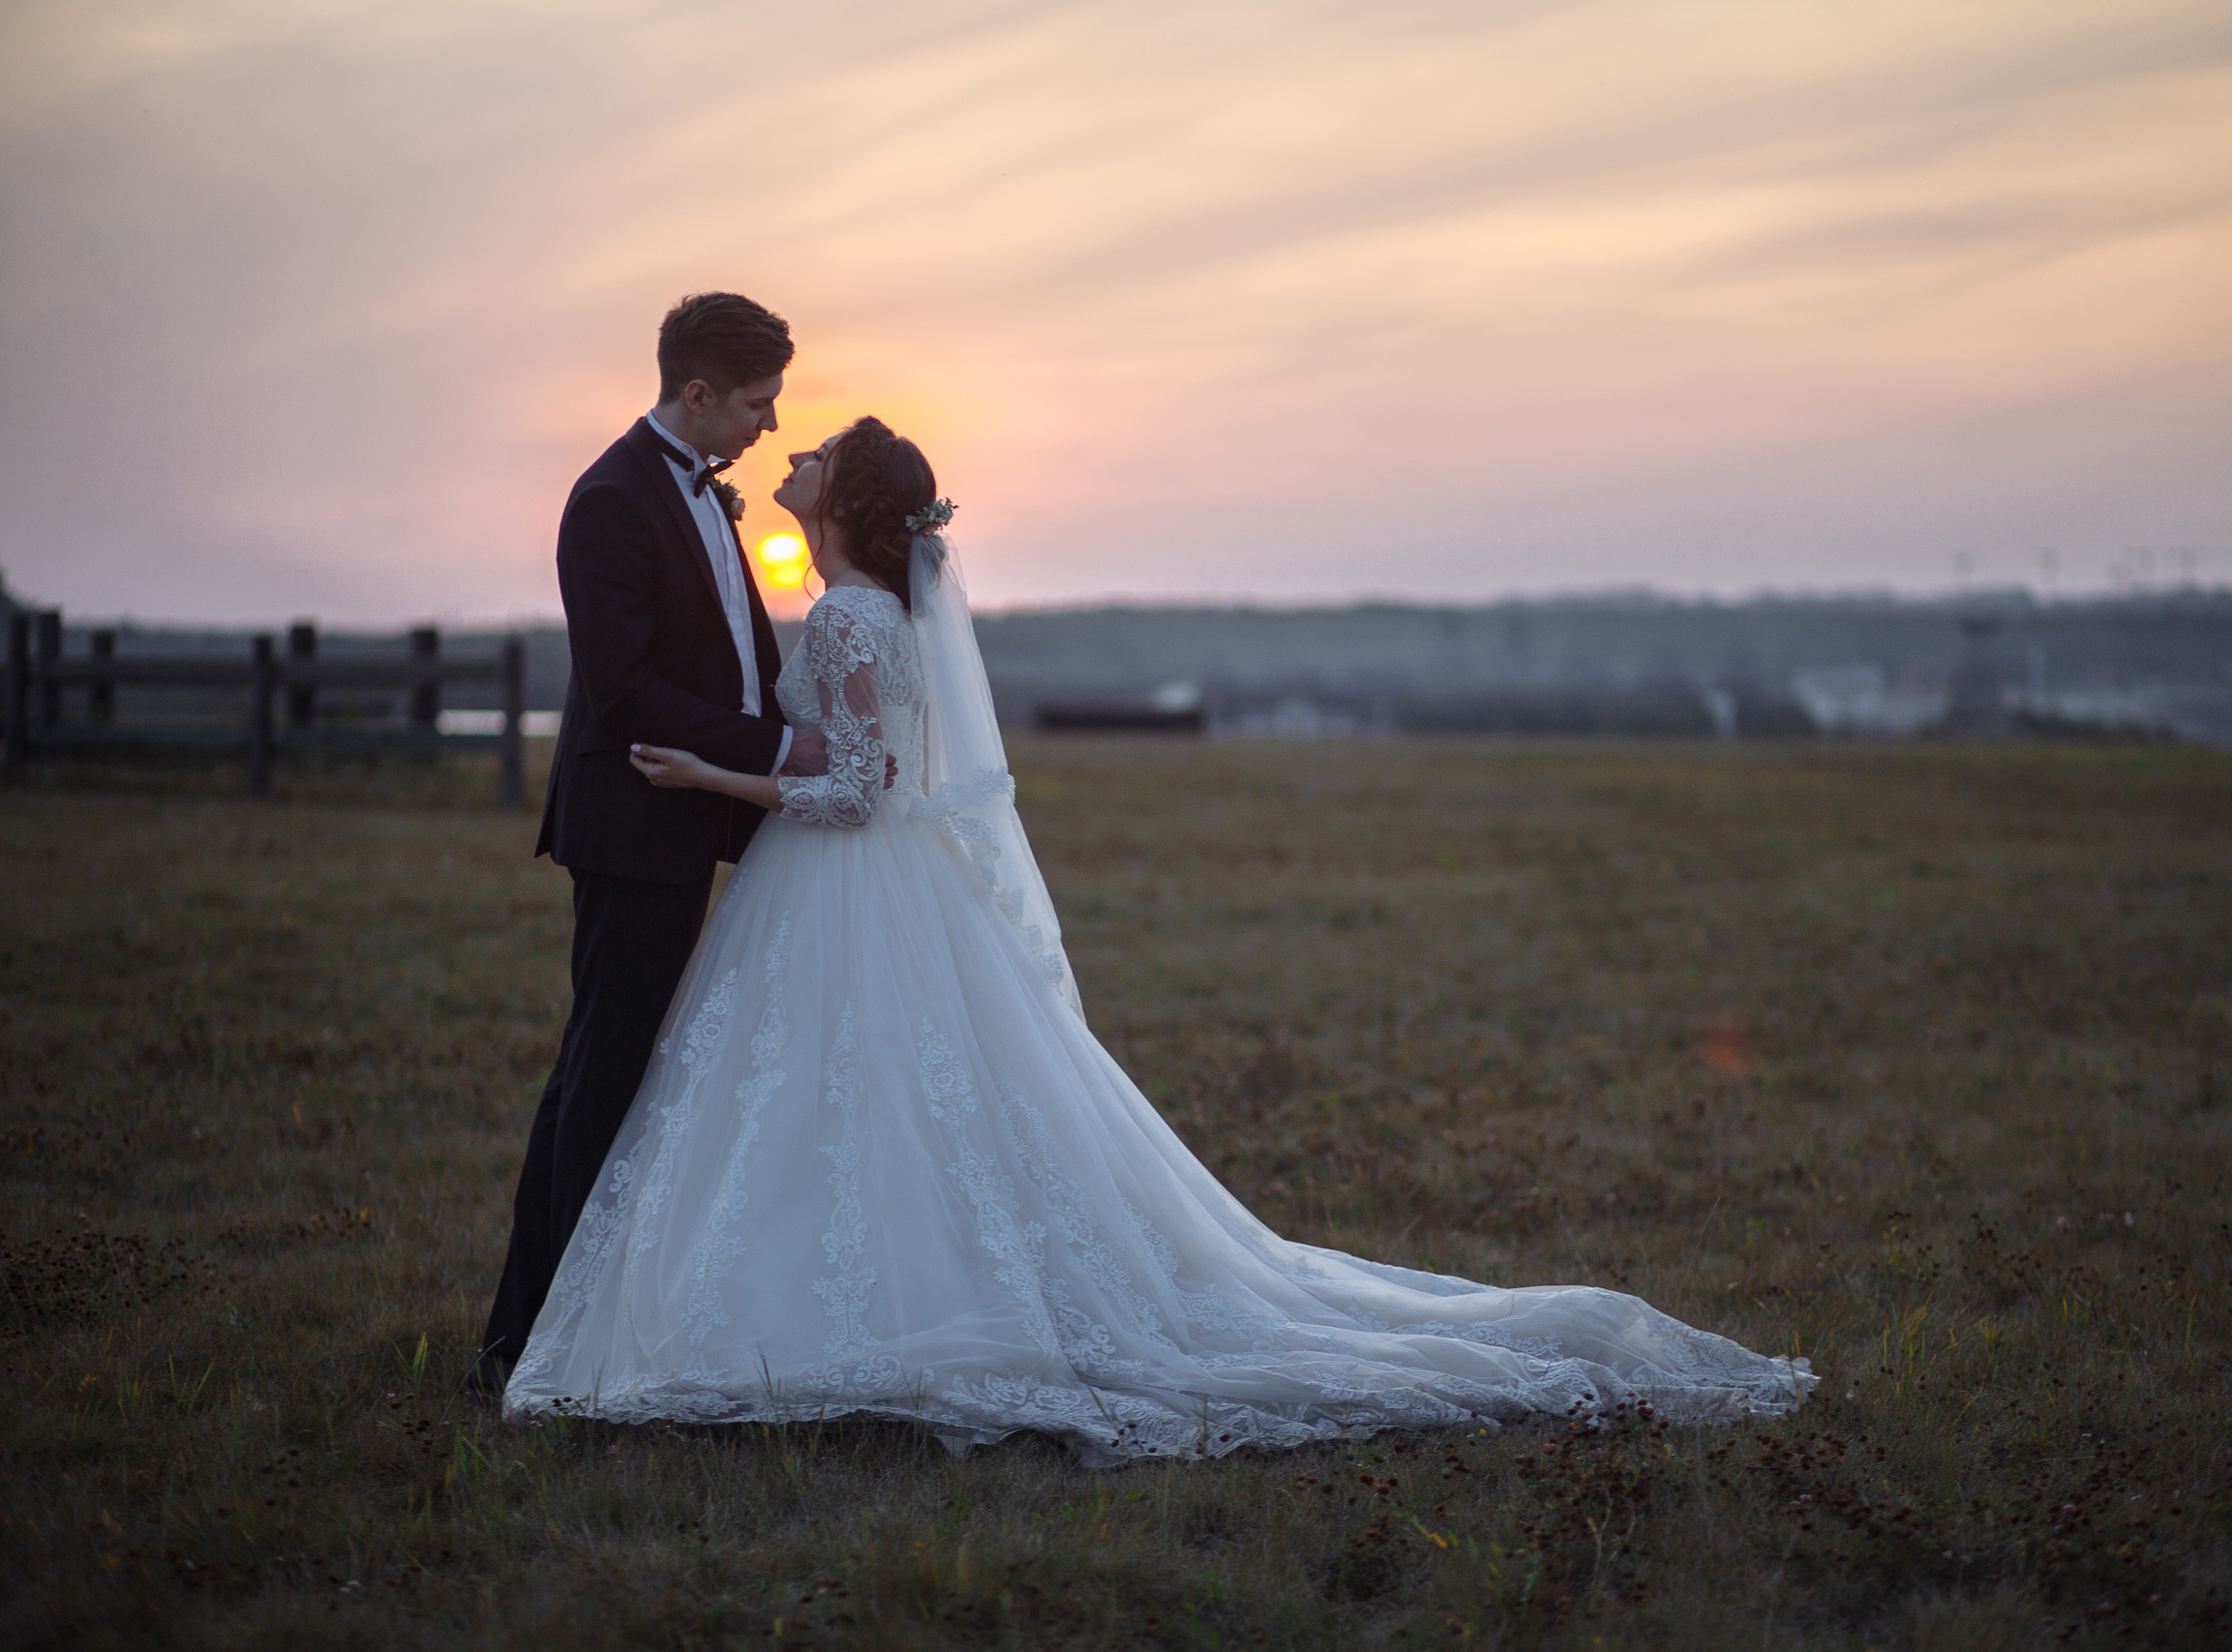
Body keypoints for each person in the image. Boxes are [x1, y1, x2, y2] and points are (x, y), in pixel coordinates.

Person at [501, 417, 1814, 1459]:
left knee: (831, 1094)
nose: (791, 456)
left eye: (817, 455)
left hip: (841, 878)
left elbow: (853, 789)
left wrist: (712, 777)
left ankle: (816, 1307)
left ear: (841, 504)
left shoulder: (848, 613)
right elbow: (877, 765)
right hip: (878, 883)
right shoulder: (872, 612)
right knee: (884, 1097)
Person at [470, 294, 832, 1400]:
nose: (771, 426)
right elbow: (625, 691)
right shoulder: (610, 500)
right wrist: (783, 749)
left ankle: (574, 1324)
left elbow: (726, 654)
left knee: (626, 1068)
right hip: (635, 820)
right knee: (604, 1073)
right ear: (698, 393)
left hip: (699, 806)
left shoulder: (702, 492)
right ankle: (530, 1338)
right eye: (759, 404)